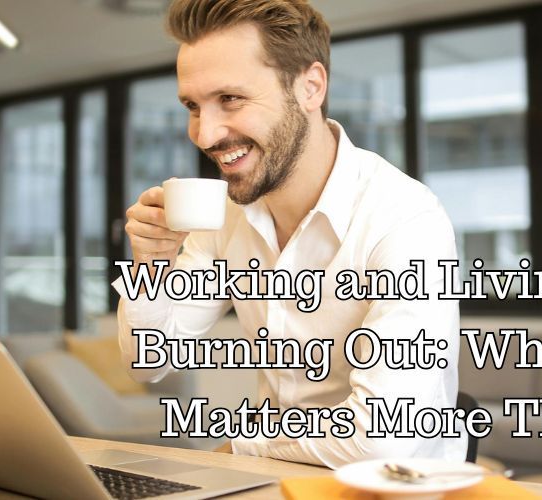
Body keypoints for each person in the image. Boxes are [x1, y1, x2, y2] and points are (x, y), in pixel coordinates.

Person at [115, 0, 464, 468]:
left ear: (310, 87)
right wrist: (151, 264)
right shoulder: (226, 215)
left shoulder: (405, 219)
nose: (203, 134)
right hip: (274, 480)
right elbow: (149, 363)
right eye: (193, 106)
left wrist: (240, 447)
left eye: (230, 99)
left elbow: (383, 440)